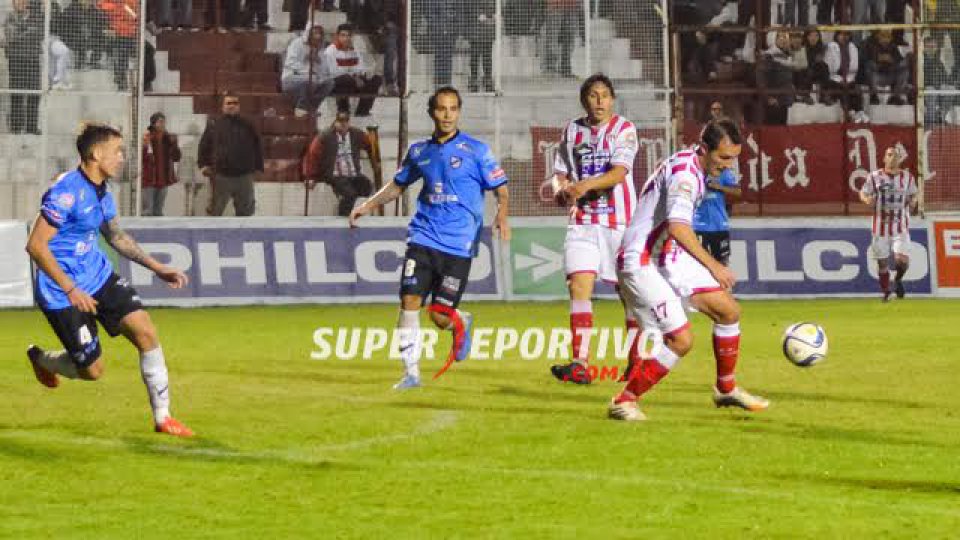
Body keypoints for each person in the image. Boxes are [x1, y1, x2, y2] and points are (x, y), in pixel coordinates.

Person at [24, 123, 193, 437]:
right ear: (95, 154)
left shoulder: (102, 191)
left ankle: (164, 417)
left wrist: (157, 267)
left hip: (97, 276)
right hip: (61, 291)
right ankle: (43, 359)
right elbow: (36, 245)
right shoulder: (67, 191)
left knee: (145, 331)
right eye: (117, 151)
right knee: (92, 371)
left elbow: (115, 236)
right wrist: (71, 289)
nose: (121, 158)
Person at [349, 86, 510, 389]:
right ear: (432, 112)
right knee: (409, 300)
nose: (447, 115)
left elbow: (500, 189)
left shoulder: (477, 151)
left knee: (440, 316)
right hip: (423, 236)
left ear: (459, 112)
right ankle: (411, 372)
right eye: (441, 109)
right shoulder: (419, 151)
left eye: (453, 109)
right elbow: (398, 185)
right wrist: (367, 205)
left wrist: (501, 215)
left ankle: (459, 321)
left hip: (459, 243)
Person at [608, 119, 769, 421]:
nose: (727, 165)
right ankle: (624, 400)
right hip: (640, 260)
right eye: (722, 158)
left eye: (733, 158)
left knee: (728, 312)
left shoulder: (690, 164)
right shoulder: (686, 175)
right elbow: (678, 226)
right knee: (681, 340)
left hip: (666, 256)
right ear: (704, 149)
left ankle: (726, 388)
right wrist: (714, 265)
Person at [546, 74, 643, 385]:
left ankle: (636, 360)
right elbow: (560, 173)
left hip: (620, 222)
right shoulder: (572, 131)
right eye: (593, 95)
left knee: (628, 294)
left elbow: (618, 173)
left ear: (612, 99)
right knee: (578, 286)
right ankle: (580, 363)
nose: (599, 101)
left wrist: (585, 185)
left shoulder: (624, 130)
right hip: (583, 222)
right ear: (584, 100)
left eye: (604, 95)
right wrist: (561, 189)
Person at [859, 145, 918, 302]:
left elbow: (913, 194)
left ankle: (897, 280)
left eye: (896, 155)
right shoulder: (874, 176)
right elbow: (863, 192)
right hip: (880, 227)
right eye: (889, 154)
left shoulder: (908, 177)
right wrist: (867, 200)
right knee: (882, 263)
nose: (892, 158)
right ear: (884, 158)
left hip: (901, 226)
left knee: (902, 261)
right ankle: (886, 292)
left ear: (900, 159)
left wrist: (913, 202)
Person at [197, 92, 264, 216]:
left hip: (244, 178)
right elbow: (204, 146)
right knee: (214, 213)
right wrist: (203, 165)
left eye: (235, 103)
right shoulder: (214, 124)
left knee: (246, 213)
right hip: (221, 176)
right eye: (229, 103)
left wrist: (259, 167)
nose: (232, 105)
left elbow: (257, 147)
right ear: (223, 106)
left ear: (239, 106)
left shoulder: (248, 125)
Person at [303, 111, 378, 217]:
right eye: (340, 121)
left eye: (346, 121)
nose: (343, 124)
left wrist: (374, 152)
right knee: (349, 194)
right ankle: (342, 217)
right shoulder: (325, 136)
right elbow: (312, 155)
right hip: (335, 174)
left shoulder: (356, 134)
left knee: (367, 188)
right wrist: (310, 176)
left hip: (353, 173)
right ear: (335, 122)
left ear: (349, 122)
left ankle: (347, 201)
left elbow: (370, 145)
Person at [324, 23, 383, 117]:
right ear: (337, 36)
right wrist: (354, 76)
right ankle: (343, 110)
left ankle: (362, 111)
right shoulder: (330, 51)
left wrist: (365, 74)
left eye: (348, 36)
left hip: (353, 80)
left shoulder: (354, 50)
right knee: (345, 79)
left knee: (376, 79)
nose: (346, 38)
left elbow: (359, 67)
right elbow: (334, 72)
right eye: (343, 35)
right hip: (336, 83)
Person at [3, 0, 42, 134]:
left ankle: (31, 127)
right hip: (16, 59)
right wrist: (27, 31)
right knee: (16, 93)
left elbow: (38, 35)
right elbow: (10, 36)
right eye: (18, 1)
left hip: (33, 59)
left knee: (35, 93)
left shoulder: (36, 16)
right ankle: (16, 126)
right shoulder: (10, 17)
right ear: (13, 3)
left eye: (23, 1)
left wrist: (20, 31)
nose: (21, 3)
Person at [282, 25, 335, 118]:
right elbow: (289, 63)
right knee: (311, 79)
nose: (317, 36)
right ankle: (301, 107)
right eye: (315, 33)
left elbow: (326, 70)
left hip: (314, 79)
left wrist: (319, 61)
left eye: (320, 34)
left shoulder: (322, 48)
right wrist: (306, 69)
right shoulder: (297, 44)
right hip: (291, 77)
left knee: (329, 83)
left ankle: (311, 108)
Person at [694, 167, 741, 266]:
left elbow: (738, 191)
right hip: (698, 226)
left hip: (719, 225)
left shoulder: (723, 171)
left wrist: (719, 187)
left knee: (722, 262)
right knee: (699, 263)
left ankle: (720, 281)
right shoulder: (692, 171)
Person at [141, 112, 182, 216]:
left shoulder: (168, 138)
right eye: (160, 122)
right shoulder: (147, 138)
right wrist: (145, 146)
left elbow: (176, 157)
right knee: (147, 210)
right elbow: (141, 158)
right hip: (149, 179)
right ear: (153, 123)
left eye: (164, 122)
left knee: (158, 210)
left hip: (163, 179)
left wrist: (175, 144)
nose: (163, 124)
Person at [825, 30, 866, 123]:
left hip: (849, 78)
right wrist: (840, 79)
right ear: (837, 35)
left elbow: (854, 68)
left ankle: (859, 111)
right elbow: (829, 69)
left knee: (854, 88)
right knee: (842, 88)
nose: (844, 37)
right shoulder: (831, 47)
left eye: (846, 34)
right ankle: (849, 112)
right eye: (841, 34)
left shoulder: (853, 47)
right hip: (834, 79)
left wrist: (847, 79)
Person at [98, 0, 138, 91]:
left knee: (125, 58)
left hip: (129, 32)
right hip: (118, 32)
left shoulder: (131, 3)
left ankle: (123, 80)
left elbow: (135, 15)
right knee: (121, 57)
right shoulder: (115, 5)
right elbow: (102, 5)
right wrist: (117, 8)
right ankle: (121, 80)